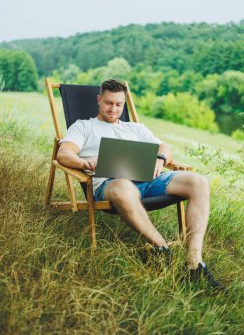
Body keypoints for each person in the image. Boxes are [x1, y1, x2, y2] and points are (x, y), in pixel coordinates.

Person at [57, 79, 226, 292]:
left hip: (148, 180)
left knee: (198, 182)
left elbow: (164, 147)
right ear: (99, 100)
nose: (114, 109)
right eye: (109, 103)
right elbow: (64, 154)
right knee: (124, 187)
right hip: (111, 185)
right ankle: (161, 248)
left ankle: (194, 264)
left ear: (124, 103)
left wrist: (160, 159)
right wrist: (84, 162)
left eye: (119, 104)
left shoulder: (135, 128)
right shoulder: (84, 126)